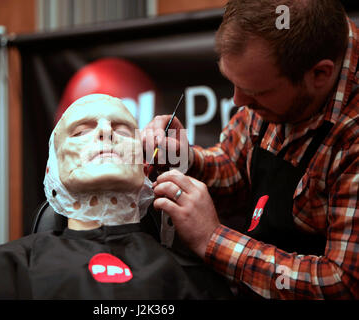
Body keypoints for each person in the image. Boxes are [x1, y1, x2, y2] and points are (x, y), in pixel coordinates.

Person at [143, 0, 358, 299]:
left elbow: (342, 283)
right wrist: (186, 158)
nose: (238, 101)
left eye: (256, 93)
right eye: (233, 83)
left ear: (319, 75)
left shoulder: (352, 136)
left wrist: (213, 240)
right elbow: (235, 166)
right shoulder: (275, 68)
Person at [0, 94, 232, 300]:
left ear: (145, 164)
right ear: (53, 168)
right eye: (81, 132)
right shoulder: (5, 272)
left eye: (123, 130)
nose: (105, 132)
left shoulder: (195, 281)